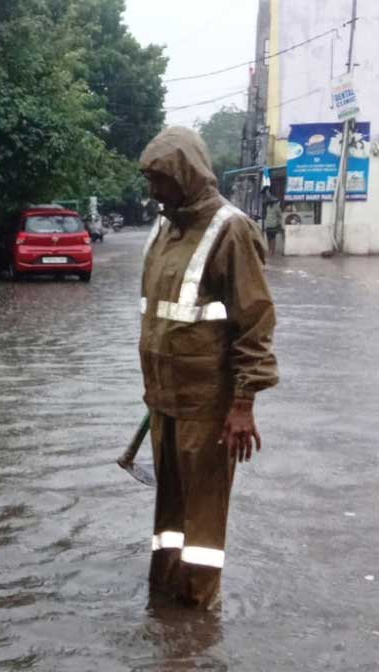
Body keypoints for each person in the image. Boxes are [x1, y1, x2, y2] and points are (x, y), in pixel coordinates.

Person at [138, 127, 279, 610]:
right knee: (169, 514)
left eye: (161, 180)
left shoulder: (231, 229)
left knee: (202, 517)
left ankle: (197, 613)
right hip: (163, 401)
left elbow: (254, 323)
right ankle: (164, 598)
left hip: (207, 405)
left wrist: (243, 404)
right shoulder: (163, 228)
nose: (153, 191)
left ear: (187, 175)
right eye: (150, 180)